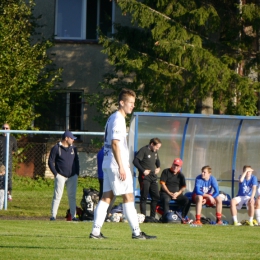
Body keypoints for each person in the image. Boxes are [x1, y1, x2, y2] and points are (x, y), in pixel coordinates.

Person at [89, 88, 156, 240]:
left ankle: (95, 232)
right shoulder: (118, 119)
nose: (133, 106)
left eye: (134, 103)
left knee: (106, 197)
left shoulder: (113, 118)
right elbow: (114, 143)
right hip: (115, 164)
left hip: (108, 163)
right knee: (129, 196)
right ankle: (136, 232)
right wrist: (121, 166)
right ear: (121, 102)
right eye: (130, 103)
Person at [48, 130, 79, 221]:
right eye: (71, 138)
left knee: (72, 196)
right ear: (66, 138)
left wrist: (77, 173)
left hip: (72, 176)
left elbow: (76, 161)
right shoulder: (56, 148)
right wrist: (56, 174)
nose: (73, 140)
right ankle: (53, 216)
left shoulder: (74, 148)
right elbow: (50, 161)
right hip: (61, 175)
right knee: (57, 195)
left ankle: (73, 216)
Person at [132, 138, 162, 219]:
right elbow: (135, 161)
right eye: (157, 147)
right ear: (152, 144)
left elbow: (157, 160)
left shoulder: (155, 151)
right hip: (145, 177)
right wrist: (143, 170)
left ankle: (152, 217)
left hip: (153, 176)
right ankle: (143, 217)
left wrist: (158, 167)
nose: (157, 149)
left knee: (156, 196)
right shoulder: (143, 150)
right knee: (144, 196)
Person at [160, 158, 191, 224]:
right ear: (172, 164)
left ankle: (182, 218)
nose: (175, 167)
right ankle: (166, 218)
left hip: (177, 194)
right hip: (166, 193)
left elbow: (183, 187)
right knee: (166, 200)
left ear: (180, 167)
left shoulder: (181, 175)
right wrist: (169, 193)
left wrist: (177, 193)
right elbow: (163, 184)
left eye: (178, 166)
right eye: (175, 165)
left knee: (187, 201)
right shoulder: (166, 172)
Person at [0, 123, 17, 201]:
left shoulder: (12, 138)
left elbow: (14, 150)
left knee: (8, 178)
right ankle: (1, 194)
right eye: (4, 128)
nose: (5, 130)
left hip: (8, 160)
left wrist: (8, 155)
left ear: (9, 129)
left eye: (7, 128)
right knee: (1, 177)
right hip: (0, 160)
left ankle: (9, 194)